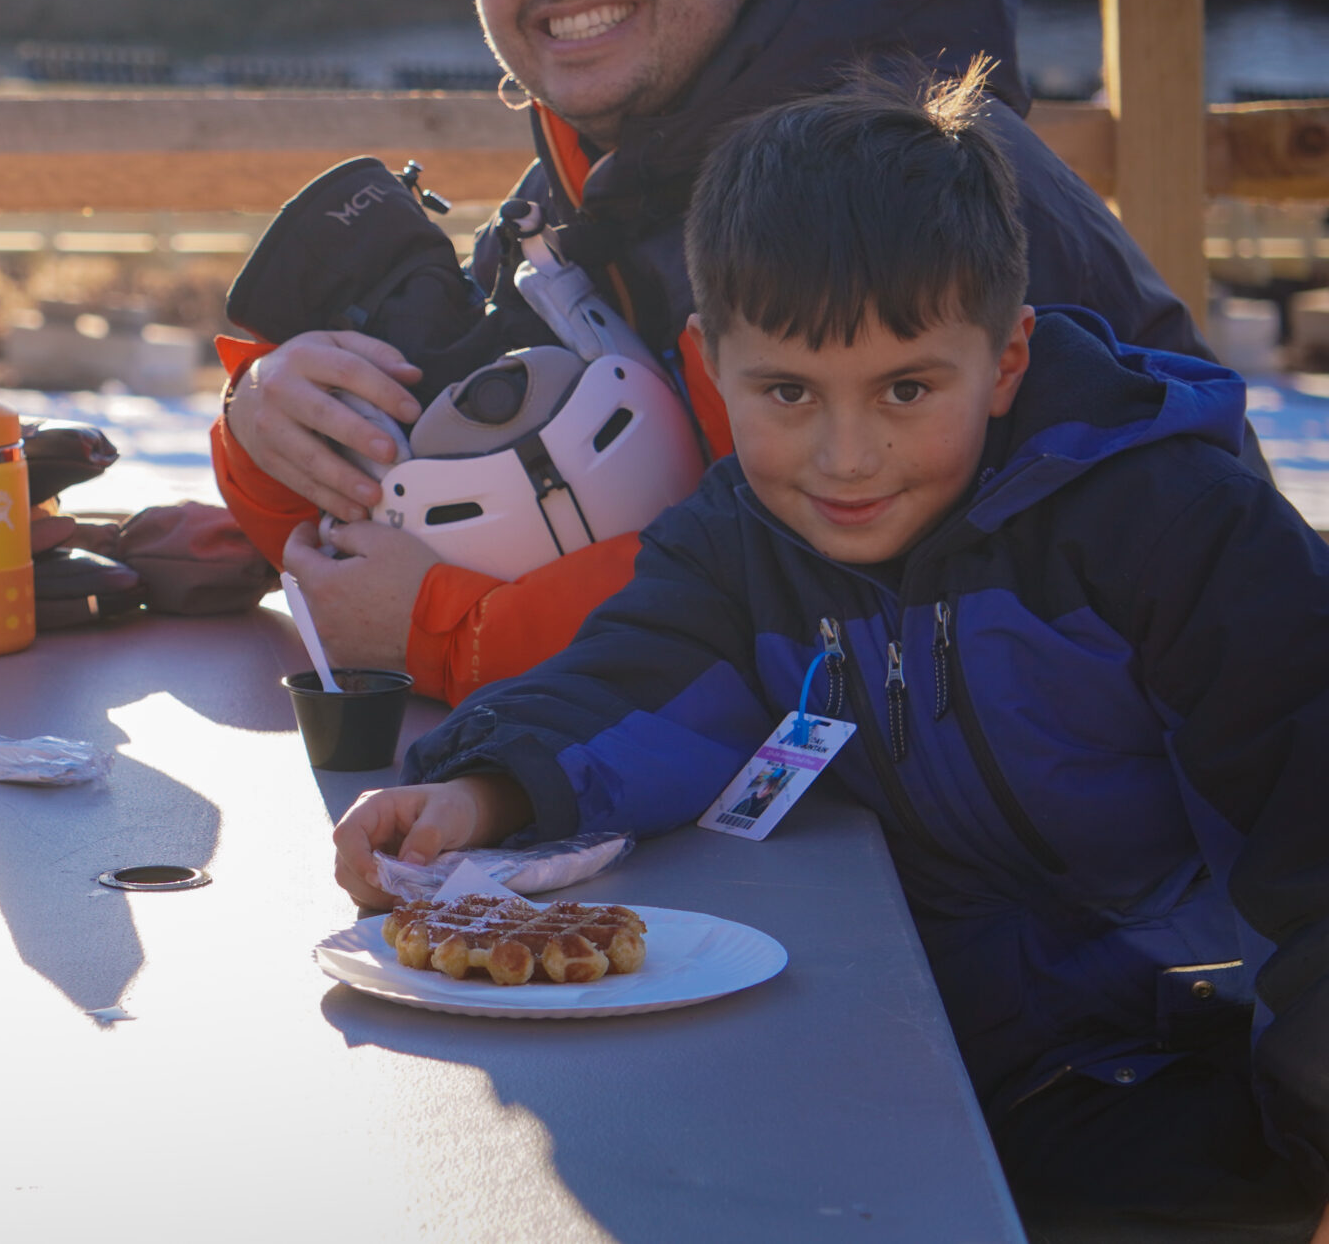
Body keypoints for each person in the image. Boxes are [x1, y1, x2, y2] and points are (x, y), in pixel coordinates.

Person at [331, 75, 1329, 1241]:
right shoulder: (743, 544)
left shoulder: (1175, 529)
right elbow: (635, 681)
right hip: (938, 1044)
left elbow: (1310, 844)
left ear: (1005, 361)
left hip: (1209, 1070)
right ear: (711, 366)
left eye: (906, 388)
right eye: (789, 393)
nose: (846, 457)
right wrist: (481, 788)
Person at [212, 0, 1209, 703]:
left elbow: (845, 600)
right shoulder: (589, 192)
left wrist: (455, 635)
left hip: (1134, 806)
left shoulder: (883, 166)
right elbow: (434, 512)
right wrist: (271, 425)